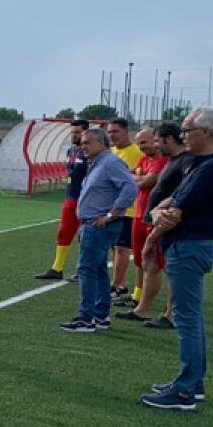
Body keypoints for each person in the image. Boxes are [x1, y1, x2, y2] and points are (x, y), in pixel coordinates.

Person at [140, 108, 213, 410]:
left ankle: (184, 391)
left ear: (206, 132)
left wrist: (155, 226)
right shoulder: (202, 162)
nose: (183, 136)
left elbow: (173, 213)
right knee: (188, 315)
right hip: (189, 245)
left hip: (190, 245)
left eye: (187, 130)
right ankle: (191, 383)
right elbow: (171, 201)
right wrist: (159, 213)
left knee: (187, 316)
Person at [57, 127, 137, 334]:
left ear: (101, 143)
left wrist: (111, 215)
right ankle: (100, 316)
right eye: (82, 143)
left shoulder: (110, 163)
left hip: (98, 225)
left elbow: (130, 187)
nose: (83, 146)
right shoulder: (97, 163)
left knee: (86, 270)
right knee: (99, 270)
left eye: (87, 143)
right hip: (90, 224)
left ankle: (86, 318)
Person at [135, 124, 194, 330]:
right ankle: (142, 309)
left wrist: (160, 224)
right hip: (155, 221)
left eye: (158, 140)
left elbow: (181, 196)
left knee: (170, 268)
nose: (156, 145)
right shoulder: (173, 160)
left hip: (166, 224)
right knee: (150, 264)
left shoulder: (186, 161)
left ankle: (171, 314)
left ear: (169, 139)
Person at [114, 127, 166, 321]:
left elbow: (145, 183)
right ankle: (137, 297)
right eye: (139, 143)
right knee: (139, 259)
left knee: (152, 261)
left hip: (153, 216)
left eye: (144, 142)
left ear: (155, 140)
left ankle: (148, 305)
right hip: (139, 214)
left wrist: (138, 177)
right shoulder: (144, 160)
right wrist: (138, 177)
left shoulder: (162, 161)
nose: (141, 147)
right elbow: (136, 178)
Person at [36, 119, 88, 279]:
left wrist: (70, 176)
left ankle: (83, 271)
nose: (74, 135)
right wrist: (70, 176)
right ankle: (57, 268)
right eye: (72, 132)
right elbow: (70, 172)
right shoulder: (70, 151)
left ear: (86, 132)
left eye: (78, 132)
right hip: (70, 197)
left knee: (85, 236)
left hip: (86, 198)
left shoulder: (90, 152)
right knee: (64, 231)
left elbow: (76, 173)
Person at [107, 117, 143, 301]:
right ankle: (118, 283)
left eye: (115, 131)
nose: (112, 135)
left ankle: (116, 286)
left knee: (122, 248)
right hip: (112, 208)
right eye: (110, 132)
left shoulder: (136, 152)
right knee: (115, 248)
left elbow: (140, 178)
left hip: (130, 209)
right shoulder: (111, 152)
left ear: (126, 131)